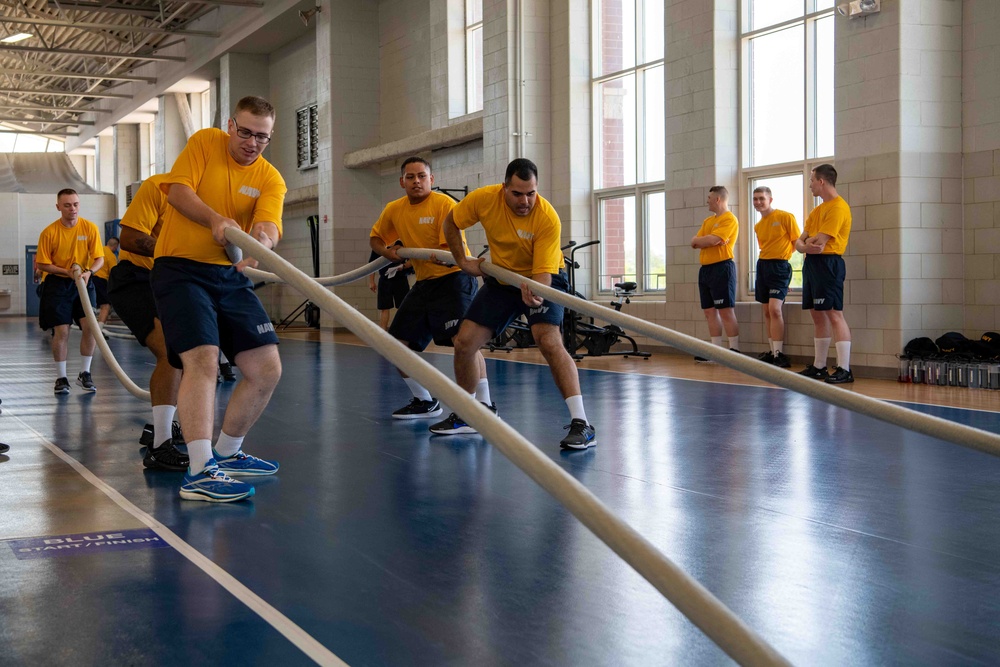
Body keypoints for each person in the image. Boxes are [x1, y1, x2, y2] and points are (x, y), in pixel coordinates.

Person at [151, 95, 286, 502]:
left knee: (266, 368)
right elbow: (177, 192)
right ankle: (199, 469)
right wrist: (216, 220)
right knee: (204, 359)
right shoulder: (205, 142)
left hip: (228, 274)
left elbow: (268, 225)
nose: (251, 142)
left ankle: (227, 452)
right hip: (179, 268)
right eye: (244, 132)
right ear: (230, 125)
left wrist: (259, 244)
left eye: (261, 136)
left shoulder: (270, 178)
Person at [439, 158, 597, 450]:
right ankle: (470, 412)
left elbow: (542, 276)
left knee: (547, 340)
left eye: (531, 193)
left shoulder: (546, 217)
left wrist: (535, 293)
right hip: (502, 279)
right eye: (518, 194)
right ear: (504, 189)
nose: (525, 201)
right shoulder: (484, 199)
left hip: (541, 278)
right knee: (464, 342)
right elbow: (451, 221)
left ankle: (582, 424)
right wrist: (462, 260)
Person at [369, 156, 484, 420]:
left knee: (464, 342)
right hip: (424, 283)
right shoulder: (394, 209)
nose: (416, 181)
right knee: (396, 345)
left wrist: (435, 254)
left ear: (431, 180)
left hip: (454, 278)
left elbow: (448, 252)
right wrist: (389, 252)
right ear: (402, 182)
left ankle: (482, 407)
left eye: (422, 176)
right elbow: (375, 238)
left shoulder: (444, 204)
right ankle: (424, 400)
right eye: (410, 177)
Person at [108, 174, 189, 471]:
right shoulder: (159, 186)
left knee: (189, 355)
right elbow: (129, 238)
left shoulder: (215, 200)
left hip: (172, 280)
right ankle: (160, 448)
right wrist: (178, 250)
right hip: (136, 279)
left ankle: (163, 428)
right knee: (171, 354)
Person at [35, 188, 104, 394]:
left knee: (90, 327)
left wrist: (89, 272)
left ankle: (85, 373)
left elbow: (99, 258)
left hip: (83, 280)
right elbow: (42, 263)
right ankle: (61, 377)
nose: (72, 209)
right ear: (58, 207)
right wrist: (66, 271)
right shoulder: (49, 232)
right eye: (67, 205)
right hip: (58, 283)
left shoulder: (89, 228)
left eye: (75, 204)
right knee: (62, 330)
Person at [795, 163, 854, 384]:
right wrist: (805, 244)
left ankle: (844, 369)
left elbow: (819, 241)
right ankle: (819, 366)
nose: (809, 185)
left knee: (834, 314)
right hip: (812, 264)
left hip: (829, 263)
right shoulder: (817, 211)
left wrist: (806, 242)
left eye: (811, 181)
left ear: (821, 181)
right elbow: (799, 243)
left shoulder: (838, 207)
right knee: (817, 315)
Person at [752, 187, 800, 369]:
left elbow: (796, 244)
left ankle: (780, 354)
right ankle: (772, 352)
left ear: (770, 200)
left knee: (775, 309)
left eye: (761, 199)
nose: (758, 202)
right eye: (755, 199)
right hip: (763, 266)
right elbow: (765, 247)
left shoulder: (785, 217)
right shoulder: (758, 226)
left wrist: (785, 277)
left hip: (780, 266)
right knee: (766, 311)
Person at [690, 185, 740, 360]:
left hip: (722, 268)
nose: (707, 201)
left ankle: (734, 351)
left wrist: (706, 240)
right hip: (706, 270)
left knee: (725, 310)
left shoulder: (729, 219)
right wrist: (705, 240)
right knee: (709, 311)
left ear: (718, 199)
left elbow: (713, 240)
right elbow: (694, 242)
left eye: (709, 198)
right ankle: (715, 351)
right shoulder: (707, 221)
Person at [366, 248, 412, 331]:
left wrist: (403, 266)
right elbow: (372, 265)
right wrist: (371, 281)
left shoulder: (401, 244)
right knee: (384, 307)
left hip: (401, 279)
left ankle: (401, 330)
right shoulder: (380, 246)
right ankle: (383, 330)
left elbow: (412, 261)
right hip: (385, 279)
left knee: (402, 306)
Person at [92, 236, 119, 334]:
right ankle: (99, 330)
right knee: (106, 306)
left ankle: (95, 328)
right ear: (115, 246)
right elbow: (114, 273)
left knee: (92, 306)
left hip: (89, 279)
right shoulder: (111, 256)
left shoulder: (98, 250)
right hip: (100, 281)